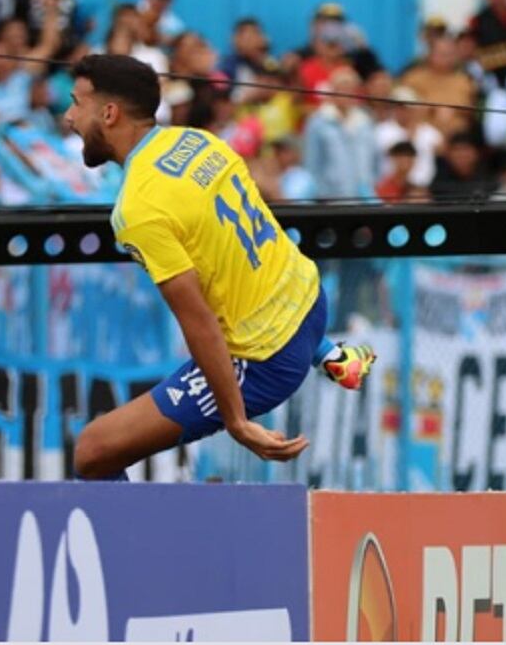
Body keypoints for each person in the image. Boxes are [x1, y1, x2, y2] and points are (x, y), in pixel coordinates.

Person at [64, 54, 375, 479]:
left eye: (75, 104)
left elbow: (200, 324)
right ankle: (333, 356)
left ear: (110, 112)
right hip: (309, 300)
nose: (68, 117)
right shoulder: (197, 140)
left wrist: (237, 422)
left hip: (266, 359)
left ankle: (143, 543)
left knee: (93, 451)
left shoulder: (138, 208)